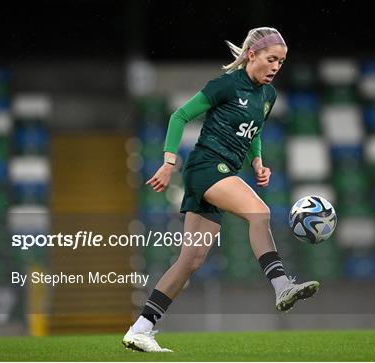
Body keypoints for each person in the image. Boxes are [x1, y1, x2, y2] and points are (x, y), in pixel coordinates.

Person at [122, 27, 320, 353]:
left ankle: (141, 328)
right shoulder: (227, 84)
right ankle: (282, 285)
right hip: (206, 167)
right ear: (251, 55)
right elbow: (179, 116)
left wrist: (257, 161)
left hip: (223, 171)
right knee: (260, 213)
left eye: (281, 62)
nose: (275, 67)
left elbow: (254, 129)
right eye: (271, 59)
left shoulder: (268, 96)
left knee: (191, 260)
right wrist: (169, 162)